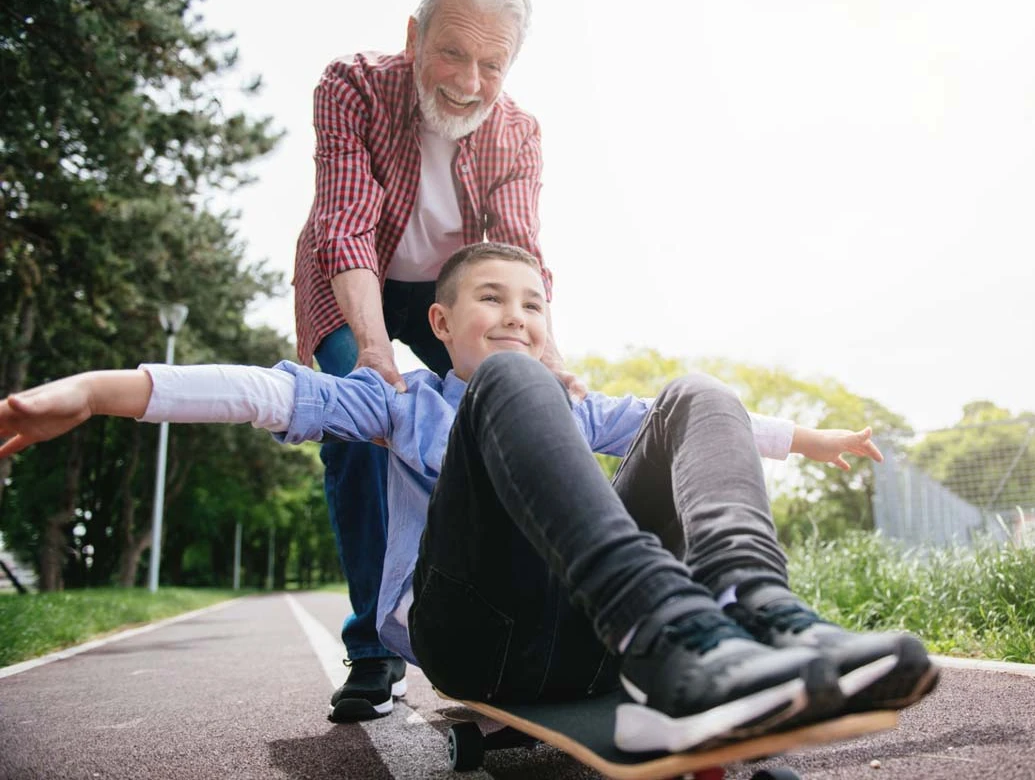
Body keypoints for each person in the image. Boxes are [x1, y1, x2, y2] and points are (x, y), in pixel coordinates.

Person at [0, 243, 937, 752]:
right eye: (492, 300)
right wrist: (93, 390)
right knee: (512, 387)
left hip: (586, 635)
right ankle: (666, 634)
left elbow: (704, 430)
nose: (517, 319)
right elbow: (261, 391)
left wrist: (812, 438)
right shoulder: (399, 399)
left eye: (533, 305)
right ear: (441, 323)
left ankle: (754, 609)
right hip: (473, 634)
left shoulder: (569, 400)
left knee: (698, 392)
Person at [291, 0, 569, 720]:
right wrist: (376, 353)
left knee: (517, 419)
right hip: (359, 277)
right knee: (358, 427)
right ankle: (374, 650)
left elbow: (517, 254)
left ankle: (524, 627)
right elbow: (344, 225)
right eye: (450, 51)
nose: (468, 81)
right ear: (414, 39)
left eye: (491, 64)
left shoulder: (518, 130)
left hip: (459, 291)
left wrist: (548, 358)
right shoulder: (351, 85)